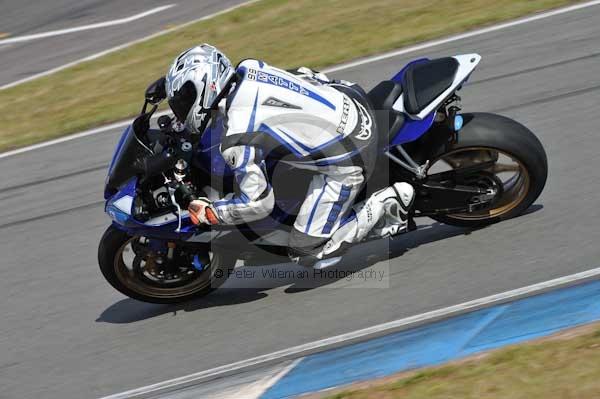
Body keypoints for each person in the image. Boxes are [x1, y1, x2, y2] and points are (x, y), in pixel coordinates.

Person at [165, 44, 414, 268]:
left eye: (185, 99)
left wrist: (211, 213)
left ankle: (386, 205)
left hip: (351, 157)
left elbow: (259, 203)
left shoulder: (237, 136)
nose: (182, 107)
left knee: (305, 251)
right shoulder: (247, 68)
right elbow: (302, 73)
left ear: (206, 88)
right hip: (349, 99)